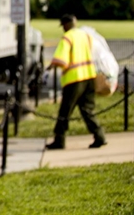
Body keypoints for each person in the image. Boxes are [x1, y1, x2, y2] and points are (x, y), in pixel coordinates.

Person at [45, 14, 107, 149]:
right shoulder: (86, 36)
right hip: (90, 76)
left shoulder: (68, 37)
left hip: (74, 80)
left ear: (66, 25)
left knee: (65, 111)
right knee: (87, 109)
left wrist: (51, 66)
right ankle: (99, 135)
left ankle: (59, 140)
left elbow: (61, 60)